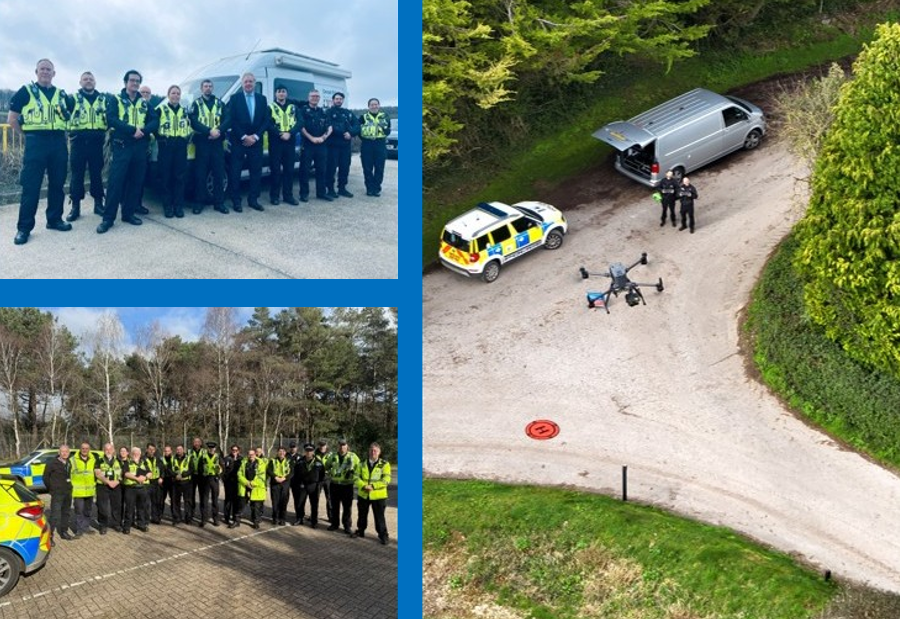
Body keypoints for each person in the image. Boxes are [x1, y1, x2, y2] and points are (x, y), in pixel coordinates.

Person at [7, 59, 73, 245]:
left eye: (49, 69)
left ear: (54, 73)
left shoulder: (61, 94)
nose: (45, 72)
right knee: (31, 187)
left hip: (58, 143)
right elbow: (12, 119)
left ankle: (54, 219)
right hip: (36, 143)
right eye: (42, 69)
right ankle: (24, 228)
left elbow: (71, 114)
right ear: (36, 71)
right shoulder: (25, 91)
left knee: (57, 184)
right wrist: (28, 135)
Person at [97, 70, 159, 234]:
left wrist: (144, 131)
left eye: (138, 81)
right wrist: (132, 130)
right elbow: (111, 119)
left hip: (140, 146)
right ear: (125, 83)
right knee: (115, 183)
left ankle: (128, 214)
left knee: (136, 182)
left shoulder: (144, 103)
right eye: (132, 80)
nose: (135, 83)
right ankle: (108, 219)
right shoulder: (115, 99)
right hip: (122, 145)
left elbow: (155, 120)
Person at [65, 71, 108, 221]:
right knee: (77, 175)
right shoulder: (72, 99)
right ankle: (75, 207)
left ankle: (98, 204)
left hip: (97, 143)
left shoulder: (104, 100)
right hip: (78, 143)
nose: (88, 81)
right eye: (85, 79)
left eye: (91, 79)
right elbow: (63, 117)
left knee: (97, 174)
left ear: (95, 82)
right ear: (80, 82)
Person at [224, 72, 269, 212]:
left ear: (255, 83)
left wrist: (255, 136)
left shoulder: (262, 99)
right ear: (242, 84)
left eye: (251, 81)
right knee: (235, 172)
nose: (248, 84)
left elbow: (266, 120)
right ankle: (236, 201)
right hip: (239, 141)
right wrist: (244, 136)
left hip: (256, 142)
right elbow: (232, 120)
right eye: (246, 82)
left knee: (256, 172)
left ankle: (253, 200)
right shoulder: (235, 98)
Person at [189, 79, 227, 214]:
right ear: (201, 88)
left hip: (217, 143)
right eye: (205, 86)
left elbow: (227, 119)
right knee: (200, 173)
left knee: (218, 173)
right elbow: (193, 122)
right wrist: (209, 131)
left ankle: (219, 203)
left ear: (213, 88)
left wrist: (219, 131)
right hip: (202, 142)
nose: (208, 88)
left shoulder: (220, 103)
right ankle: (199, 203)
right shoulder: (196, 104)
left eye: (210, 86)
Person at [155, 85, 191, 218]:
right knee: (166, 177)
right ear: (168, 95)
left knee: (179, 177)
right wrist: (160, 138)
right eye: (173, 93)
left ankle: (178, 206)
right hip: (166, 145)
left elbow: (189, 126)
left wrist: (186, 138)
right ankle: (167, 206)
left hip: (180, 146)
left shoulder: (184, 111)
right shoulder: (160, 110)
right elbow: (153, 125)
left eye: (178, 93)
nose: (176, 95)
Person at [267, 86, 300, 206]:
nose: (281, 94)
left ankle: (288, 196)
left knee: (289, 170)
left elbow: (300, 122)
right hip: (276, 142)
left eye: (283, 92)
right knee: (275, 170)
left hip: (290, 142)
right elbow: (267, 123)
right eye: (279, 92)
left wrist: (290, 133)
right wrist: (280, 134)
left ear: (286, 94)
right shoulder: (270, 107)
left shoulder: (293, 107)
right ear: (275, 94)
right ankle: (274, 196)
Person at [354, 442, 391, 545]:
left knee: (379, 517)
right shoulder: (361, 464)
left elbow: (386, 479)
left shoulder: (384, 464)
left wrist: (373, 486)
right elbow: (356, 477)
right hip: (364, 494)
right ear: (368, 451)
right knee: (362, 515)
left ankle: (383, 535)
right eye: (371, 450)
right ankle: (360, 531)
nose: (373, 452)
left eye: (375, 450)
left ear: (379, 452)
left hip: (378, 496)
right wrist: (363, 485)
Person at [298, 90, 332, 202]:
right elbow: (301, 127)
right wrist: (311, 138)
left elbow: (329, 128)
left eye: (317, 96)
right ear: (308, 97)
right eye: (313, 96)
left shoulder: (323, 112)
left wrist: (323, 138)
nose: (315, 98)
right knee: (304, 170)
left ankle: (321, 193)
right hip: (307, 144)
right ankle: (304, 194)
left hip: (321, 144)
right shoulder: (302, 110)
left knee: (322, 170)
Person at [324, 92, 358, 199]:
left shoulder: (348, 113)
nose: (338, 100)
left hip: (345, 146)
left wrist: (351, 133)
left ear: (343, 100)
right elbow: (329, 125)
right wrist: (343, 132)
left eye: (340, 99)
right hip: (332, 145)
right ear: (333, 100)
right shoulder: (328, 112)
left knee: (345, 167)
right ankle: (330, 189)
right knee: (331, 168)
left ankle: (342, 188)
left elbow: (357, 125)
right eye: (336, 99)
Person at [358, 98, 391, 197]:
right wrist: (365, 138)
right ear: (368, 106)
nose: (374, 106)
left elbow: (388, 131)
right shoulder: (363, 117)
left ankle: (376, 188)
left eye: (376, 104)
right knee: (367, 168)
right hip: (367, 144)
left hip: (380, 144)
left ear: (379, 105)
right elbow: (358, 131)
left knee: (379, 168)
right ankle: (369, 188)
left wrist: (384, 130)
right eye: (372, 105)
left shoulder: (385, 116)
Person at [327, 438, 359, 535]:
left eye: (344, 445)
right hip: (335, 485)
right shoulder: (332, 456)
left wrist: (353, 475)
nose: (342, 447)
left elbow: (359, 469)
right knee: (334, 506)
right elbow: (327, 466)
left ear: (347, 446)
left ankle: (347, 526)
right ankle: (334, 524)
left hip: (347, 486)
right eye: (340, 445)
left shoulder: (353, 456)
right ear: (338, 446)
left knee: (347, 507)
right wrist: (330, 473)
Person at [45, 444, 75, 545]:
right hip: (57, 493)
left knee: (66, 513)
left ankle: (64, 532)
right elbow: (45, 477)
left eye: (66, 451)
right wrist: (52, 489)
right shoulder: (52, 463)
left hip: (67, 492)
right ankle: (49, 536)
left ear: (69, 453)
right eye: (62, 451)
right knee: (55, 515)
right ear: (59, 452)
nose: (65, 453)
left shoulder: (69, 462)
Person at [293, 443, 325, 528]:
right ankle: (299, 519)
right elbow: (295, 474)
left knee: (314, 504)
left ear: (313, 451)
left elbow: (322, 475)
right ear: (304, 451)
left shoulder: (318, 462)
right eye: (307, 450)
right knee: (300, 503)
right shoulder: (300, 462)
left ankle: (314, 522)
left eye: (310, 451)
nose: (308, 452)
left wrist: (318, 484)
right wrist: (298, 484)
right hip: (302, 486)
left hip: (313, 486)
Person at [94, 442, 123, 535]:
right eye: (106, 449)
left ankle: (116, 524)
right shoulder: (99, 460)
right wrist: (108, 482)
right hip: (103, 486)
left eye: (110, 449)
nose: (108, 451)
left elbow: (124, 473)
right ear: (104, 450)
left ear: (113, 450)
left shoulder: (119, 460)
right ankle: (103, 525)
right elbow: (97, 473)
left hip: (116, 486)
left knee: (117, 506)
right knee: (102, 507)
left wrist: (117, 482)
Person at [70, 442, 97, 537]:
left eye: (87, 448)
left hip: (89, 491)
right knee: (78, 512)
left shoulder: (93, 459)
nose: (85, 450)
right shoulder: (72, 460)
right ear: (80, 449)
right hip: (78, 492)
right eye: (83, 448)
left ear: (89, 449)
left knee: (88, 511)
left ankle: (86, 527)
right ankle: (79, 530)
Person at [122, 446, 150, 533]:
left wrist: (145, 478)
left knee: (141, 507)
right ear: (131, 454)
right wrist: (136, 479)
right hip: (131, 488)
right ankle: (127, 527)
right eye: (134, 453)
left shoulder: (144, 462)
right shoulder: (127, 462)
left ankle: (141, 524)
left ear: (140, 454)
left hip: (142, 488)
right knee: (129, 508)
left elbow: (150, 473)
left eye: (137, 453)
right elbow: (126, 473)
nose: (135, 454)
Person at [237, 448, 266, 529]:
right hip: (245, 487)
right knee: (241, 505)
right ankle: (237, 521)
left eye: (252, 454)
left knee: (255, 507)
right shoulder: (244, 462)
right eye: (249, 454)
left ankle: (256, 522)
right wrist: (246, 483)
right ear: (247, 455)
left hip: (255, 488)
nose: (251, 456)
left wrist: (252, 483)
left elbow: (261, 476)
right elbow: (239, 474)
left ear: (255, 455)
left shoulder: (261, 463)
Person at [198, 441, 222, 527]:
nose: (211, 449)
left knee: (215, 500)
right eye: (210, 448)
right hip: (205, 480)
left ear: (215, 449)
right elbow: (200, 468)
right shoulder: (203, 456)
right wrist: (202, 476)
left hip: (214, 480)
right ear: (207, 448)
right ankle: (204, 519)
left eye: (213, 448)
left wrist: (219, 476)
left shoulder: (218, 456)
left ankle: (215, 519)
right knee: (204, 500)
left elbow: (222, 467)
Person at [268, 446, 292, 525]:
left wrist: (284, 478)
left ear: (285, 453)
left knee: (283, 502)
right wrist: (275, 477)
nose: (281, 453)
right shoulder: (272, 461)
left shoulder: (289, 461)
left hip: (285, 483)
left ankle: (282, 519)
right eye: (280, 451)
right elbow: (269, 470)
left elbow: (292, 472)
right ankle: (275, 518)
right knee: (275, 502)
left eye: (283, 451)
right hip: (275, 484)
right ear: (277, 452)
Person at [170, 444, 193, 525]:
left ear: (183, 449)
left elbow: (191, 469)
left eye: (180, 449)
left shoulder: (189, 458)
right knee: (176, 501)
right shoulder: (173, 458)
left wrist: (182, 475)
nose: (178, 451)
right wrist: (175, 475)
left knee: (188, 501)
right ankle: (177, 518)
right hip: (176, 482)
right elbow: (170, 469)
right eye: (177, 449)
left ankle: (188, 518)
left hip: (186, 482)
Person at [222, 444, 242, 526]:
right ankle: (226, 517)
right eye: (233, 450)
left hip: (238, 483)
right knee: (228, 501)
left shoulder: (242, 459)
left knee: (236, 501)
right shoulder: (226, 458)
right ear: (231, 450)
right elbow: (222, 470)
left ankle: (235, 518)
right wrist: (224, 480)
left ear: (239, 451)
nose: (234, 451)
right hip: (229, 483)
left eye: (236, 450)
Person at [144, 443, 164, 524]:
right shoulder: (143, 459)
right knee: (146, 502)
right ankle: (146, 519)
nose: (151, 451)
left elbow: (163, 469)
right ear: (147, 449)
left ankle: (156, 518)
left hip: (156, 482)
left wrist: (161, 477)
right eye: (150, 449)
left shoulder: (159, 459)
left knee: (156, 501)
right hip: (147, 483)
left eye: (153, 449)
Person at [315, 439, 333, 523]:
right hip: (317, 479)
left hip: (328, 479)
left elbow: (334, 465)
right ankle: (313, 515)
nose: (322, 447)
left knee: (329, 498)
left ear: (326, 446)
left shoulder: (331, 455)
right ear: (319, 446)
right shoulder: (314, 454)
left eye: (324, 445)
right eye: (321, 445)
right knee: (315, 498)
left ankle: (331, 516)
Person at [188, 436, 204, 524]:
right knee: (191, 496)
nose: (196, 443)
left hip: (202, 477)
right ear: (193, 443)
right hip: (192, 476)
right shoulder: (189, 452)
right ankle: (191, 515)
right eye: (195, 442)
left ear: (201, 443)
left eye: (198, 442)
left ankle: (202, 516)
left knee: (202, 497)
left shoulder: (204, 451)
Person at [160, 445, 175, 522]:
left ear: (171, 451)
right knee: (161, 499)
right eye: (165, 451)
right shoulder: (161, 459)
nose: (167, 452)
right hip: (163, 481)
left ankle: (174, 516)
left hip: (172, 481)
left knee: (173, 499)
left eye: (168, 451)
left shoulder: (174, 459)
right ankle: (159, 515)